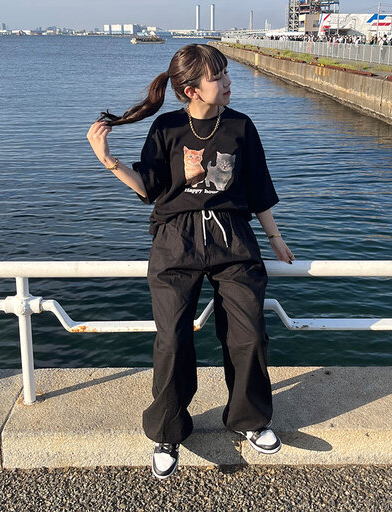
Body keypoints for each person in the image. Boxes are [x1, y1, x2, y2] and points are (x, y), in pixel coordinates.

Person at [86, 44, 295, 480]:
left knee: (248, 333)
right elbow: (149, 188)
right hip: (175, 240)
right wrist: (108, 160)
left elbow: (259, 188)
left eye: (225, 74)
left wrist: (275, 238)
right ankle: (168, 431)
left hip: (232, 237)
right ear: (190, 90)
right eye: (218, 77)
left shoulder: (240, 125)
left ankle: (250, 420)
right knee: (172, 339)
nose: (228, 82)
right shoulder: (166, 127)